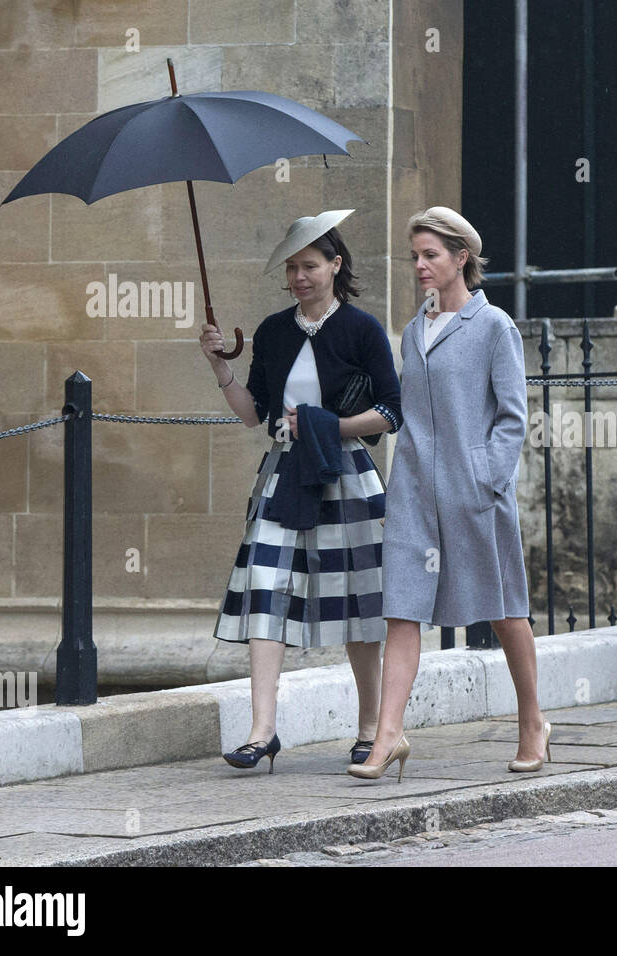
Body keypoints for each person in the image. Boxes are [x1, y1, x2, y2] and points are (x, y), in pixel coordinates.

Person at [351, 206, 549, 782]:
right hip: (413, 495)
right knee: (402, 612)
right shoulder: (415, 330)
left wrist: (484, 479)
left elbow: (512, 418)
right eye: (414, 255)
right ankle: (388, 736)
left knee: (507, 614)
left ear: (462, 258)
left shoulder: (495, 328)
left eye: (430, 254)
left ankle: (532, 723)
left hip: (475, 494)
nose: (419, 265)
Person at [203, 209, 402, 772]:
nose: (299, 277)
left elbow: (391, 411)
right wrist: (220, 367)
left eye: (309, 266)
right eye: (291, 268)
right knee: (266, 588)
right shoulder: (271, 331)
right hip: (285, 473)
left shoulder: (361, 329)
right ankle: (262, 730)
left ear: (335, 266)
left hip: (346, 473)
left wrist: (326, 425)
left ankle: (369, 727)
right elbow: (252, 415)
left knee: (358, 596)